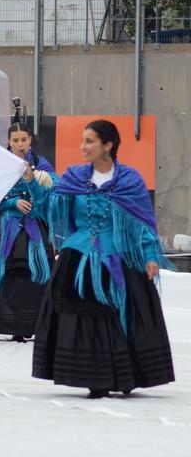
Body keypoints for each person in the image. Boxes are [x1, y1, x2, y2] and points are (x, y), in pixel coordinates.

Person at [28, 119, 173, 398]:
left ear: (108, 145)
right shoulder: (74, 177)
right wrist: (31, 184)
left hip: (119, 257)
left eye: (90, 141)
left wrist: (151, 255)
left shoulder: (130, 181)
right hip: (78, 258)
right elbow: (50, 208)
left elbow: (143, 224)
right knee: (83, 319)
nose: (83, 147)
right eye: (82, 141)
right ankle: (94, 378)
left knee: (124, 314)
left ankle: (125, 375)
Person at [0, 121, 55, 341]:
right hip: (7, 228)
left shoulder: (41, 164)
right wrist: (12, 203)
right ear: (9, 141)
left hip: (34, 226)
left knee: (36, 275)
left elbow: (56, 189)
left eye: (24, 139)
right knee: (8, 276)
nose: (20, 144)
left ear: (30, 140)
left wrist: (44, 181)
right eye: (15, 140)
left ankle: (35, 323)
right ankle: (10, 324)